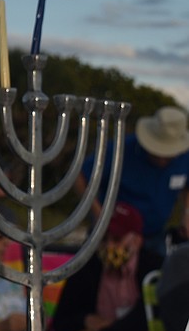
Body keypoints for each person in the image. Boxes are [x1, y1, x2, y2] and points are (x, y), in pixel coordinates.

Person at [52, 202, 162, 331]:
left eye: (117, 239)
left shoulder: (154, 270)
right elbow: (61, 322)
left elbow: (141, 321)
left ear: (137, 240)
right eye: (104, 239)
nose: (110, 246)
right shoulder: (87, 268)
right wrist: (86, 320)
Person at [76, 106, 189, 257]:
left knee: (155, 278)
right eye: (158, 151)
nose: (163, 158)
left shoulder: (185, 156)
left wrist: (187, 213)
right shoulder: (120, 149)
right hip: (112, 237)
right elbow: (81, 176)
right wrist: (99, 214)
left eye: (168, 154)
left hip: (155, 238)